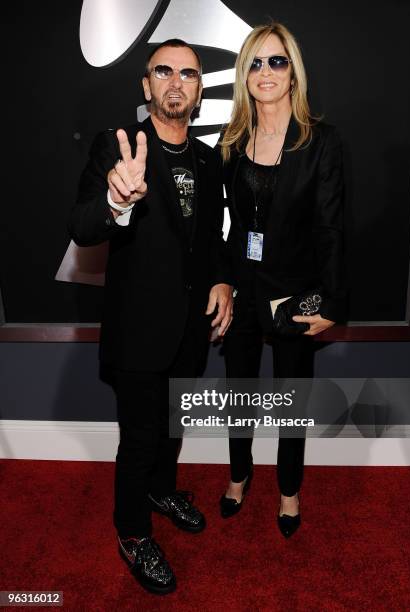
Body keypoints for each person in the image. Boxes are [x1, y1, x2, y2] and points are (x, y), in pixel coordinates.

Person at [69, 39, 233, 595]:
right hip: (137, 329)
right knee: (139, 438)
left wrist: (222, 279)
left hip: (191, 329)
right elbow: (84, 226)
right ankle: (132, 533)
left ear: (200, 88)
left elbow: (210, 240)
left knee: (171, 429)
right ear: (147, 86)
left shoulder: (210, 160)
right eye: (163, 71)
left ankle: (162, 492)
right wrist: (119, 202)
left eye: (189, 73)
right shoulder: (117, 150)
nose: (176, 81)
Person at [218, 23, 347, 537]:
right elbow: (224, 229)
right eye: (255, 62)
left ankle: (289, 490)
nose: (265, 72)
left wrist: (332, 301)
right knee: (239, 392)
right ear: (245, 76)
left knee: (291, 400)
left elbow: (331, 227)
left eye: (277, 61)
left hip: (296, 291)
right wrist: (221, 281)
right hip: (242, 290)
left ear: (293, 72)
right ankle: (238, 475)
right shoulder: (230, 141)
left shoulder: (322, 142)